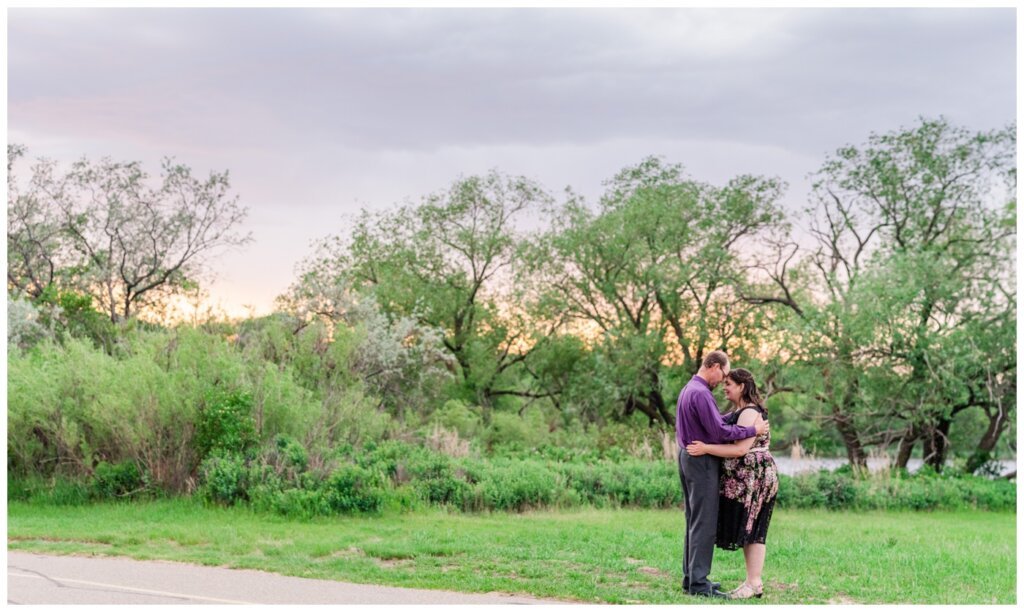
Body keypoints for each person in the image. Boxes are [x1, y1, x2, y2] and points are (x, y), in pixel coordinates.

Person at [676, 351, 767, 599]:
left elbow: (714, 421)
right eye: (724, 374)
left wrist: (737, 417)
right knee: (704, 522)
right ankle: (698, 584)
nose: (722, 381)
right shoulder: (702, 393)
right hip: (701, 461)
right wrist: (752, 428)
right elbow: (717, 432)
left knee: (694, 520)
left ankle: (691, 579)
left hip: (687, 457)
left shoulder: (689, 389)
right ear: (714, 366)